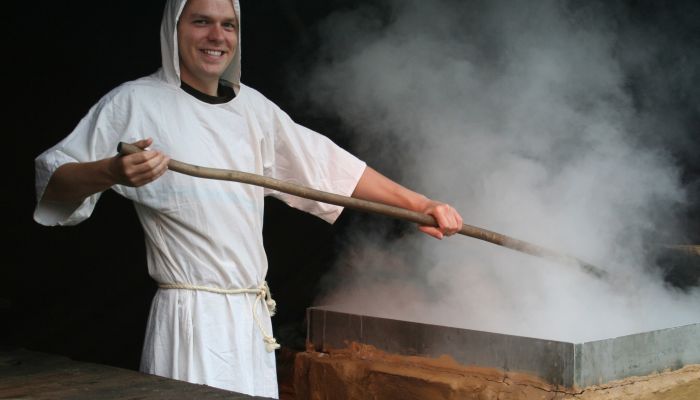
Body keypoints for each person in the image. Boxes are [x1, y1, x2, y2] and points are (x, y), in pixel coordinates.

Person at [33, 0, 463, 397]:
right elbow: (55, 178)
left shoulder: (252, 108)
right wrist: (110, 170)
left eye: (229, 25)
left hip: (249, 320)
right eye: (201, 21)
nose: (217, 36)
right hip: (190, 320)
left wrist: (418, 204)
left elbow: (328, 166)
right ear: (173, 28)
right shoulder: (136, 102)